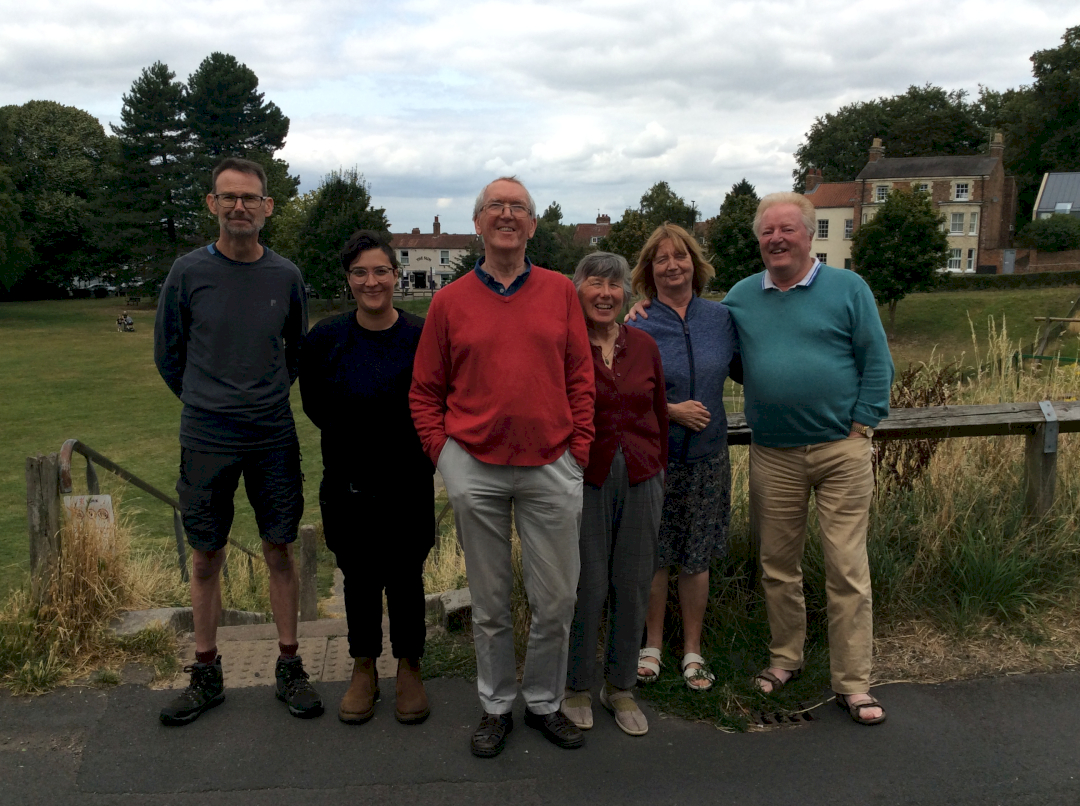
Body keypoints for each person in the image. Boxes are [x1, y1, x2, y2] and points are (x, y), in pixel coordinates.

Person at [410, 177, 595, 758]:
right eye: (496, 206)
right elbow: (425, 391)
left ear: (532, 225)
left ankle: (543, 701)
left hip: (552, 464)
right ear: (479, 222)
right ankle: (495, 705)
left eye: (519, 207)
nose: (507, 215)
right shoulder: (449, 301)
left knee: (556, 601)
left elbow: (580, 377)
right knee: (489, 605)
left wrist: (579, 450)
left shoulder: (560, 291)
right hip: (475, 467)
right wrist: (445, 457)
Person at [154, 157, 321, 725]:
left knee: (280, 549)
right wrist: (206, 399)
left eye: (250, 197)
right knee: (206, 555)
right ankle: (206, 671)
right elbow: (168, 353)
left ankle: (290, 665)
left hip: (271, 434)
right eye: (228, 197)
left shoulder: (286, 276)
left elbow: (296, 351)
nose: (239, 207)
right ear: (212, 204)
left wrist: (263, 395)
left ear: (267, 207)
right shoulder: (187, 272)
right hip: (206, 435)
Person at [723, 192, 893, 725]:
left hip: (841, 449)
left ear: (809, 234)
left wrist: (863, 421)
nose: (776, 239)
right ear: (759, 240)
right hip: (773, 452)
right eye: (767, 231)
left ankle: (853, 683)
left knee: (846, 567)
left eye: (787, 229)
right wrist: (643, 311)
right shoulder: (741, 296)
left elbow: (876, 359)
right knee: (778, 566)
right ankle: (785, 659)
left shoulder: (848, 288)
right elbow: (714, 346)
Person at [299, 230, 434, 726]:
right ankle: (363, 666)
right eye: (360, 272)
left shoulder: (422, 335)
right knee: (358, 577)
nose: (371, 281)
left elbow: (438, 399)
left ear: (396, 276)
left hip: (408, 479)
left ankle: (409, 665)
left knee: (405, 576)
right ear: (348, 279)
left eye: (380, 271)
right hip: (348, 480)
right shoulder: (326, 339)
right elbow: (315, 404)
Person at [625, 224, 737, 693]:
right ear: (649, 271)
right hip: (656, 459)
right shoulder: (636, 324)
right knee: (655, 555)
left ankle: (693, 650)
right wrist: (670, 411)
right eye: (661, 259)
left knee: (696, 556)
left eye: (681, 256)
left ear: (695, 262)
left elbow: (751, 369)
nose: (673, 266)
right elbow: (621, 394)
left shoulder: (722, 318)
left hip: (708, 458)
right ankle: (651, 645)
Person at [560, 252, 668, 737]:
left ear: (627, 293)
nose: (606, 293)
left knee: (634, 582)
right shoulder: (564, 345)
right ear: (577, 289)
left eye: (615, 285)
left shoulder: (643, 345)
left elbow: (659, 412)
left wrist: (658, 469)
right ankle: (577, 685)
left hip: (643, 476)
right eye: (595, 283)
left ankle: (621, 686)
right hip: (586, 477)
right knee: (588, 585)